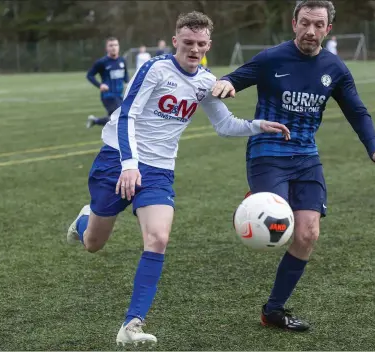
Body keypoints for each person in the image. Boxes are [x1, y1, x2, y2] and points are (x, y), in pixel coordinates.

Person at [66, 11, 290, 346]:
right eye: (187, 42)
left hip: (159, 171)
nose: (194, 49)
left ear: (208, 45)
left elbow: (225, 124)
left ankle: (131, 325)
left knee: (158, 237)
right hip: (118, 159)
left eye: (201, 44)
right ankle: (84, 222)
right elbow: (128, 113)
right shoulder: (155, 69)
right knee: (93, 244)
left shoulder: (206, 82)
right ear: (175, 41)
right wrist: (129, 164)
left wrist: (258, 125)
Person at [211, 0, 375, 332]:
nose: (311, 31)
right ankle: (259, 197)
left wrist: (374, 147)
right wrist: (226, 83)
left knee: (307, 234)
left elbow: (357, 111)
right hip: (268, 151)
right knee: (280, 230)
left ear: (328, 29)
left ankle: (273, 311)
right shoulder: (271, 58)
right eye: (305, 23)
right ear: (294, 23)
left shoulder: (335, 68)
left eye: (318, 25)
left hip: (307, 157)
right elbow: (236, 78)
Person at [86, 37, 129, 129]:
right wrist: (100, 85)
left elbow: (125, 75)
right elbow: (90, 75)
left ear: (119, 47)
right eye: (111, 45)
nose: (114, 47)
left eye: (116, 45)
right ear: (107, 48)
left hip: (120, 95)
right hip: (108, 95)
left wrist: (127, 83)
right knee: (120, 117)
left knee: (116, 118)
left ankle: (95, 121)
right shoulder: (102, 62)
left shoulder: (122, 61)